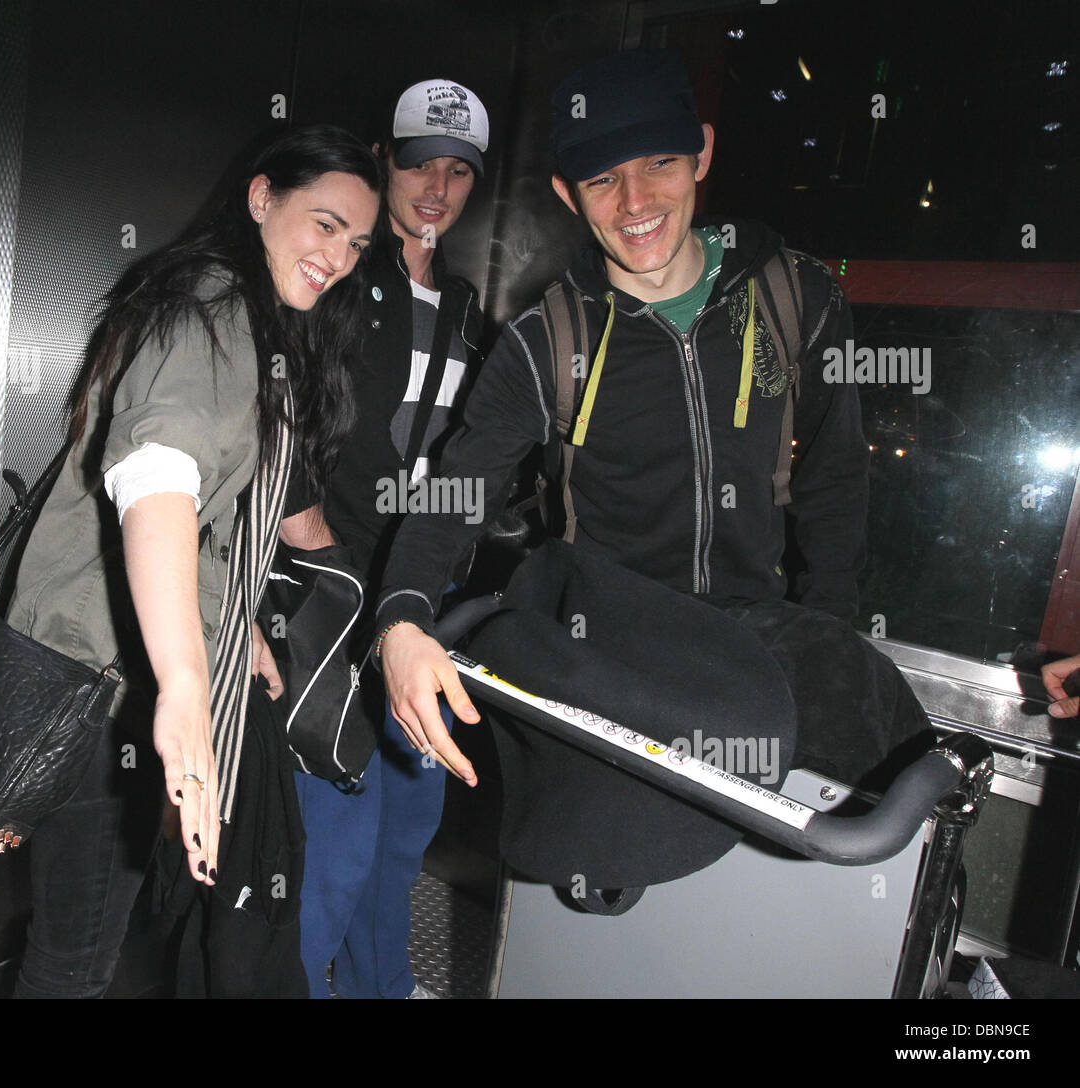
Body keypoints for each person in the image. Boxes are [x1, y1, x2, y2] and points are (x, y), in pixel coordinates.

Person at [372, 49, 922, 795]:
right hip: (613, 671)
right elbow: (455, 495)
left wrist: (826, 635)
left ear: (702, 153)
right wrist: (401, 621)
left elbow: (834, 478)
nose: (635, 203)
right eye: (603, 179)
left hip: (750, 659)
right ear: (569, 194)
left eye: (659, 162)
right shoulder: (545, 342)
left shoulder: (796, 297)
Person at [2, 125, 381, 997]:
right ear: (261, 198)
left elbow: (208, 518)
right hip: (101, 676)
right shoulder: (214, 302)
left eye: (356, 242)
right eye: (324, 224)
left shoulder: (246, 318)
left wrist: (231, 620)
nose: (340, 257)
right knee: (73, 956)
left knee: (80, 939)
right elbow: (159, 476)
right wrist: (180, 682)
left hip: (107, 661)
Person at [278, 79, 489, 998]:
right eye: (417, 163)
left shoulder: (471, 308)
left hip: (419, 607)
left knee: (406, 830)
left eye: (458, 170)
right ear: (382, 159)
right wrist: (315, 553)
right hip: (334, 598)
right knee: (336, 845)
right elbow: (272, 409)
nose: (435, 186)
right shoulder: (340, 281)